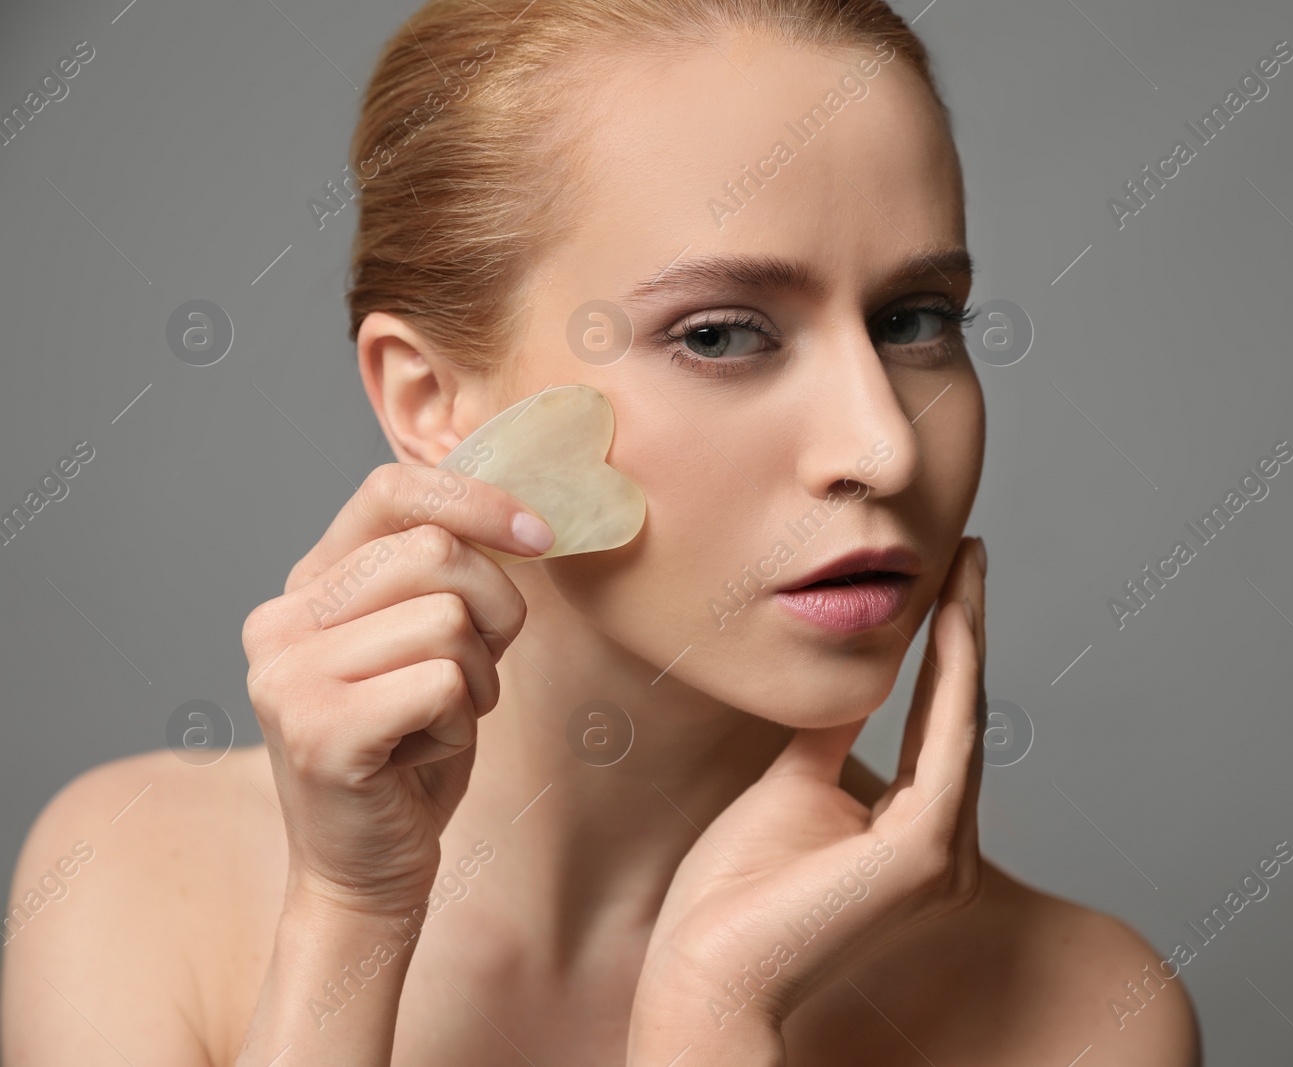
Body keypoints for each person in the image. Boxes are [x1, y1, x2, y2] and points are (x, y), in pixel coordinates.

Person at [1, 1, 1200, 1063]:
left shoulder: (1083, 1015)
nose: (882, 446)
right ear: (431, 403)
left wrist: (707, 1017)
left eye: (915, 319)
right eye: (722, 333)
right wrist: (347, 921)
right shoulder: (130, 878)